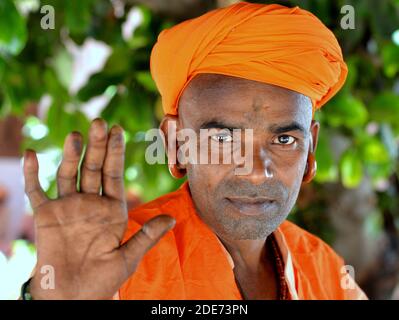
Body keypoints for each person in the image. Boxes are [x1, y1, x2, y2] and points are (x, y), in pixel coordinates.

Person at [22, 2, 367, 299]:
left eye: (284, 140)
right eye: (222, 139)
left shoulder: (325, 269)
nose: (256, 169)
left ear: (310, 153)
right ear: (175, 145)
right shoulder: (115, 262)